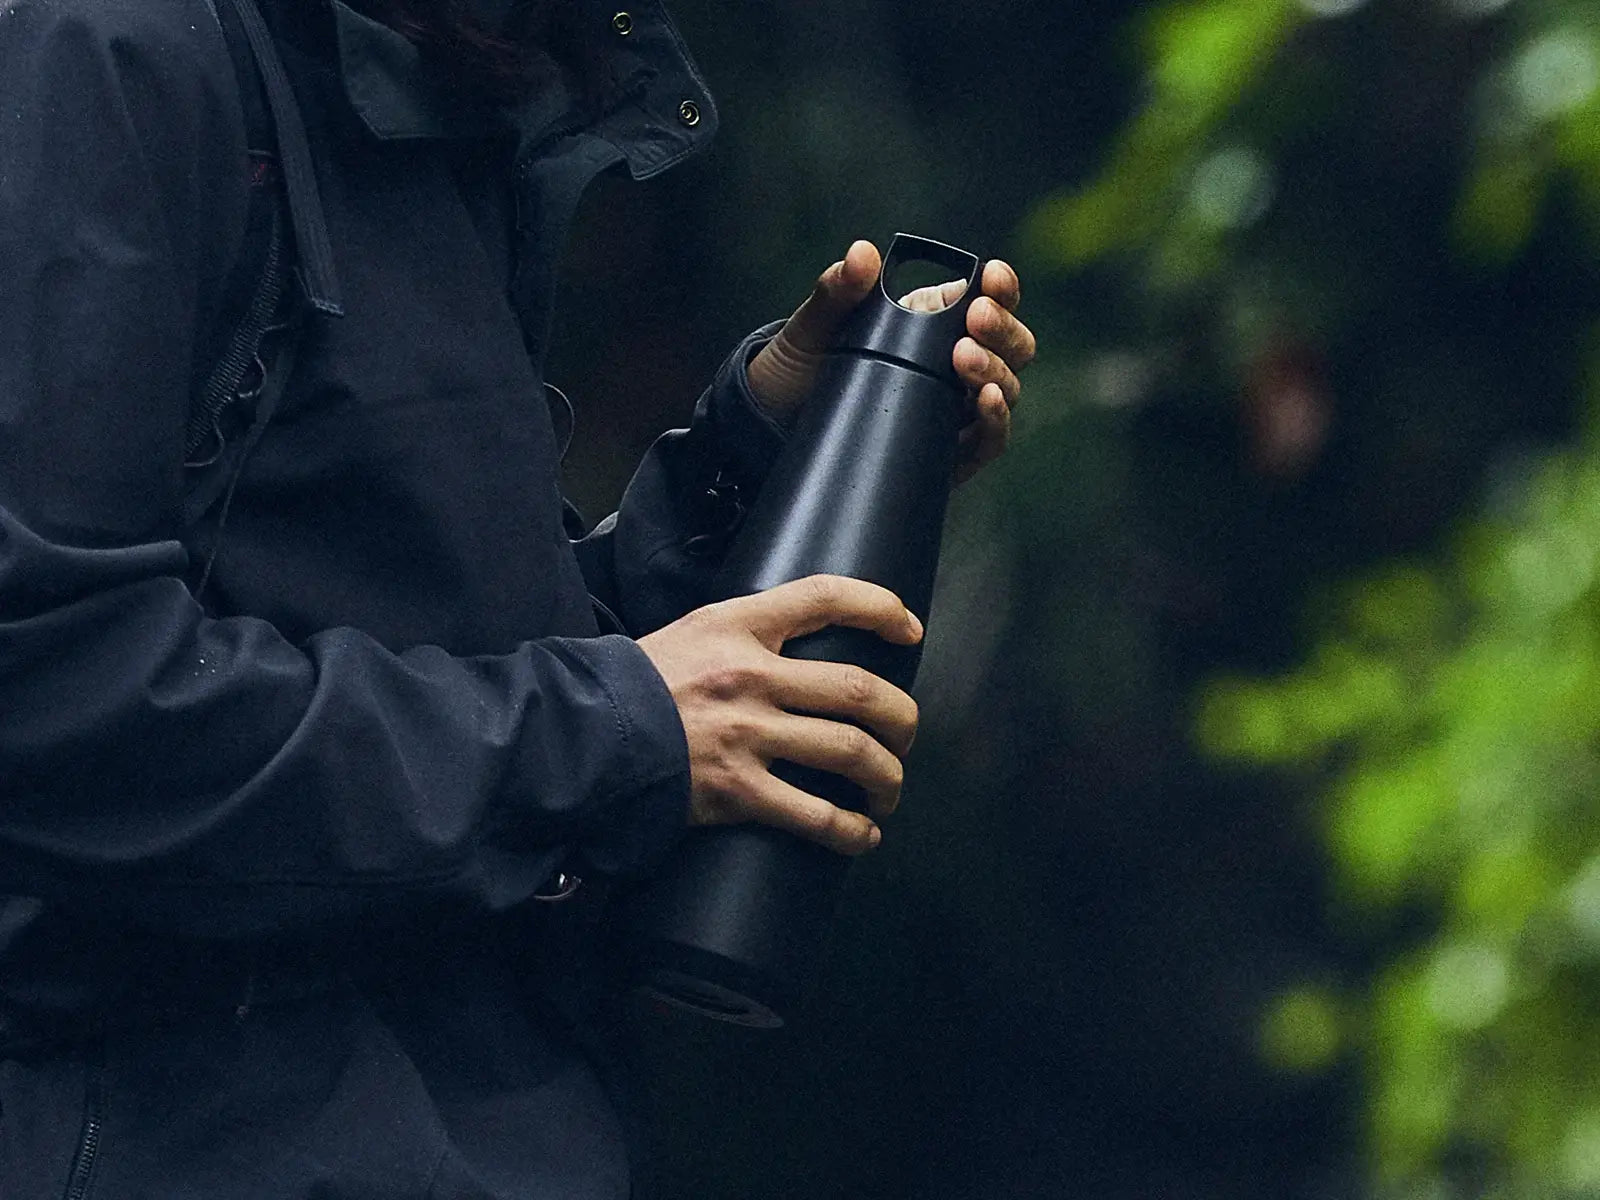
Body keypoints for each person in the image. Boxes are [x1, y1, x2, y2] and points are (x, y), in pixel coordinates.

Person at [0, 0, 1035, 1195]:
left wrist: (752, 469)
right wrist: (614, 730)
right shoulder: (109, 47)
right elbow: (49, 692)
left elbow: (451, 669)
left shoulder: (420, 78)